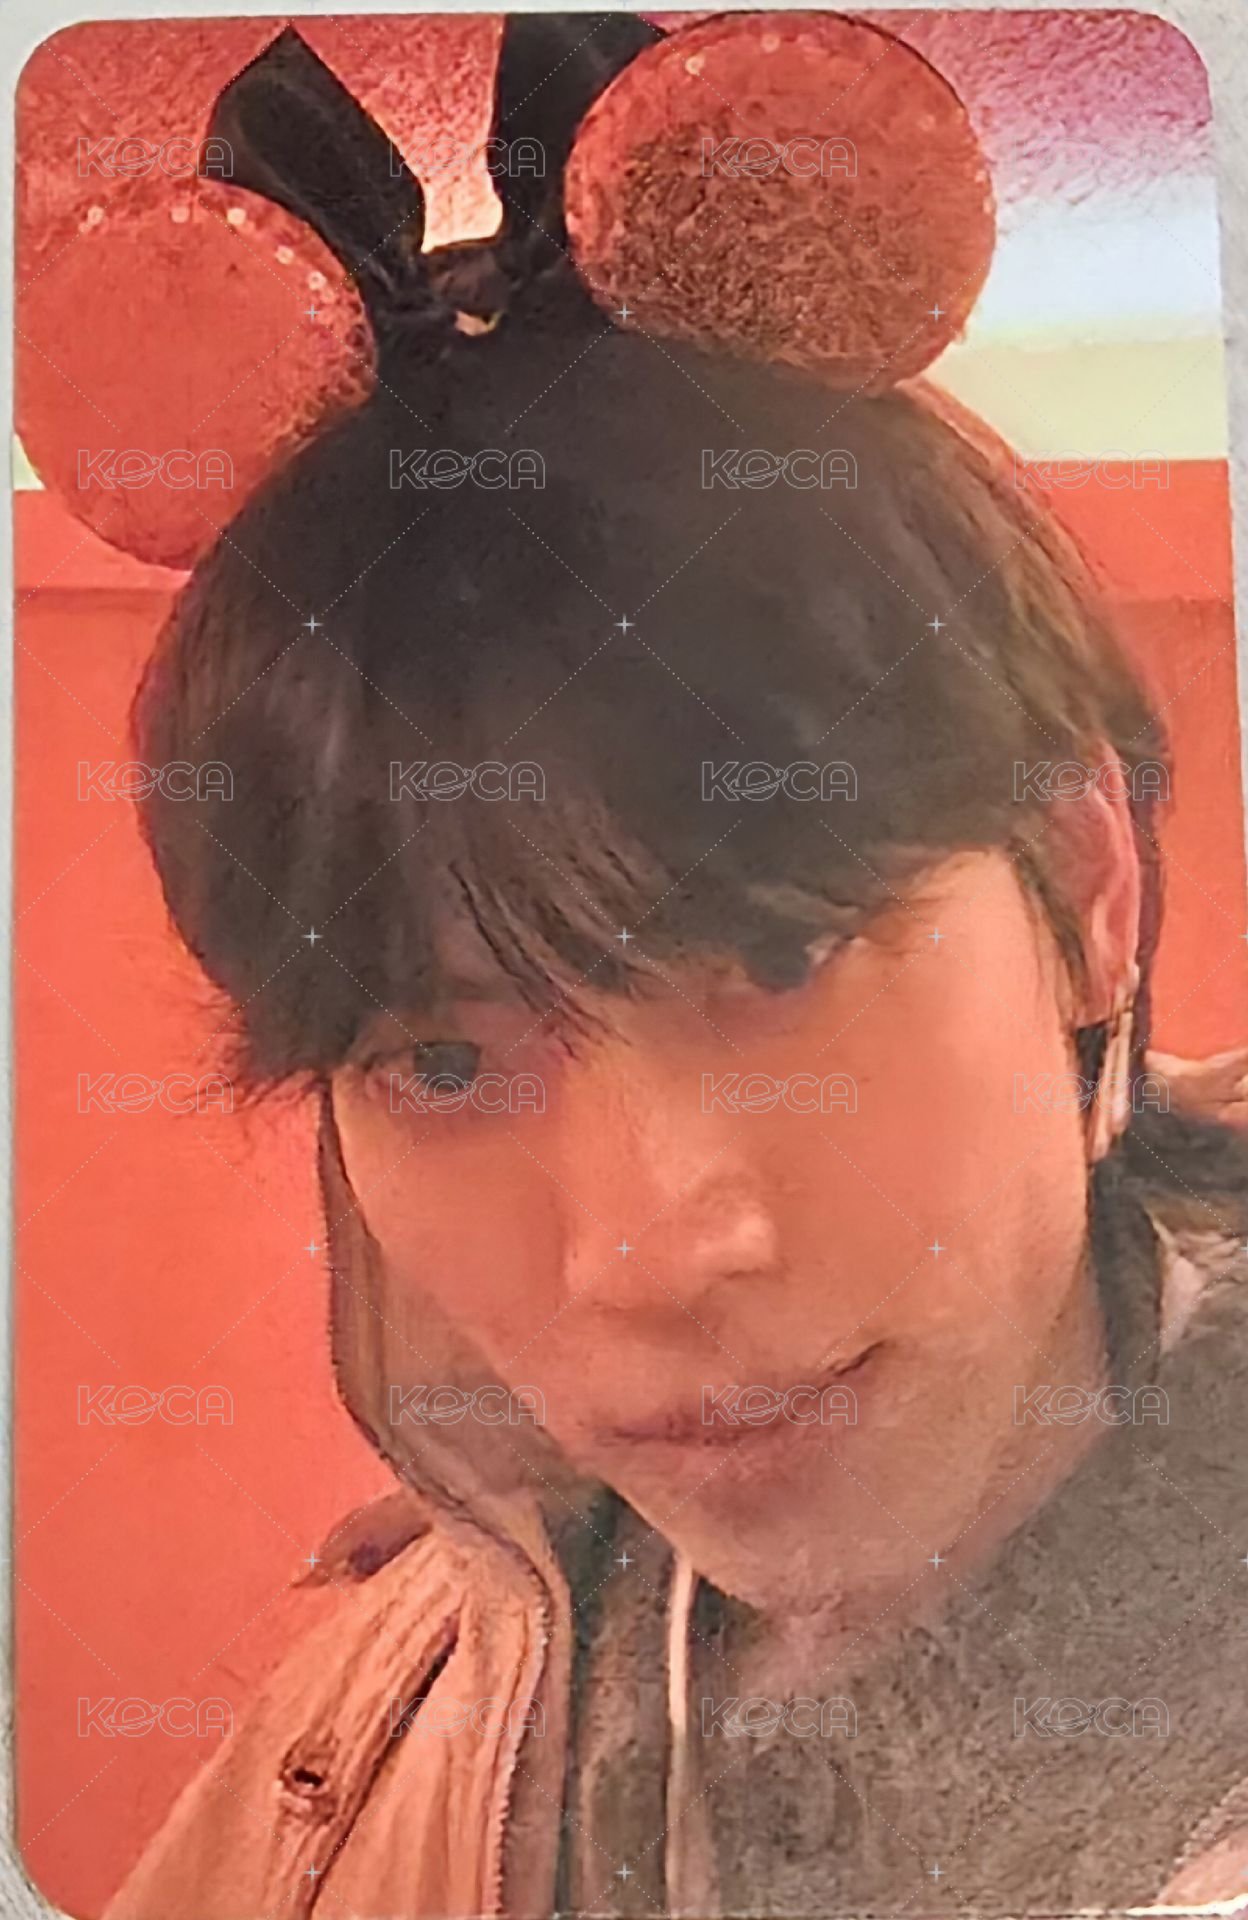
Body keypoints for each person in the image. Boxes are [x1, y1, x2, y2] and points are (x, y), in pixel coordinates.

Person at [105, 13, 1248, 1917]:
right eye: (441, 1063)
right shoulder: (387, 1705)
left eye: (776, 953)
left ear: (1084, 880)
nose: (643, 1256)